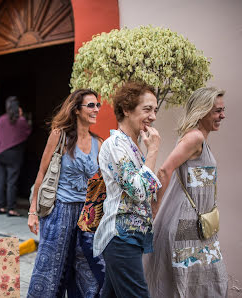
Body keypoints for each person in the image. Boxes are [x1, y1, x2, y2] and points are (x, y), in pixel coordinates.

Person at [144, 87, 228, 297]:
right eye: (217, 111)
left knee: (196, 283)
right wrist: (154, 209)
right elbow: (164, 170)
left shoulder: (199, 139)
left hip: (198, 225)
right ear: (203, 110)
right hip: (187, 225)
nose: (222, 115)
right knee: (192, 284)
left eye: (222, 110)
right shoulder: (195, 137)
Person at [27, 89, 105, 297]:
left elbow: (101, 184)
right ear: (76, 110)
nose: (96, 109)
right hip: (59, 211)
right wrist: (33, 210)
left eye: (98, 105)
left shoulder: (99, 143)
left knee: (86, 269)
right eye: (91, 105)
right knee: (50, 269)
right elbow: (42, 173)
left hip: (86, 216)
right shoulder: (59, 136)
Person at [93, 82, 161, 298]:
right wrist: (153, 152)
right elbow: (139, 191)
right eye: (147, 109)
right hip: (121, 237)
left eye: (155, 110)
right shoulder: (115, 145)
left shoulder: (134, 147)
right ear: (126, 110)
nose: (153, 116)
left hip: (131, 237)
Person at [0, 96, 31, 217]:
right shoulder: (21, 121)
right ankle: (11, 209)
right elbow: (27, 132)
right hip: (14, 154)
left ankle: (0, 207)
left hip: (1, 154)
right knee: (11, 182)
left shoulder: (1, 119)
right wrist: (22, 115)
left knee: (1, 180)